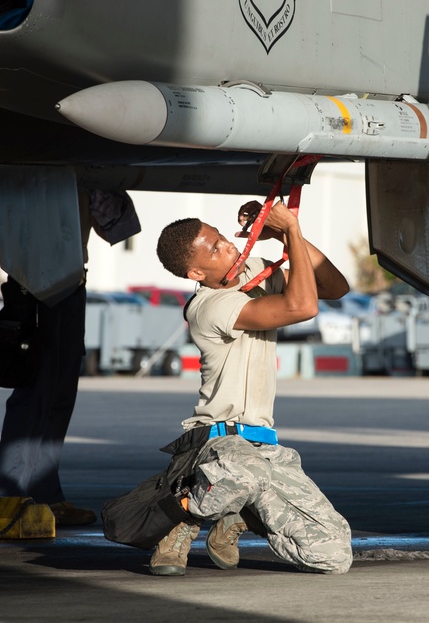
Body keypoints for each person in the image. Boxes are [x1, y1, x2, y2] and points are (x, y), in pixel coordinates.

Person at [151, 198, 353, 576]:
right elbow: (302, 308)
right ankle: (179, 514)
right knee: (243, 472)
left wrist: (281, 235)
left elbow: (334, 286)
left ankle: (236, 509)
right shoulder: (209, 307)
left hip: (264, 446)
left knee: (334, 555)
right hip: (217, 442)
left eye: (224, 238)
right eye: (215, 249)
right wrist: (291, 229)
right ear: (196, 271)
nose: (229, 246)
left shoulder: (254, 274)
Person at [0, 188, 140, 526]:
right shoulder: (40, 168)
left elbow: (117, 225)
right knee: (37, 390)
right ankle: (8, 493)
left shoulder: (87, 170)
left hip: (69, 282)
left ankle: (43, 492)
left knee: (58, 393)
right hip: (35, 283)